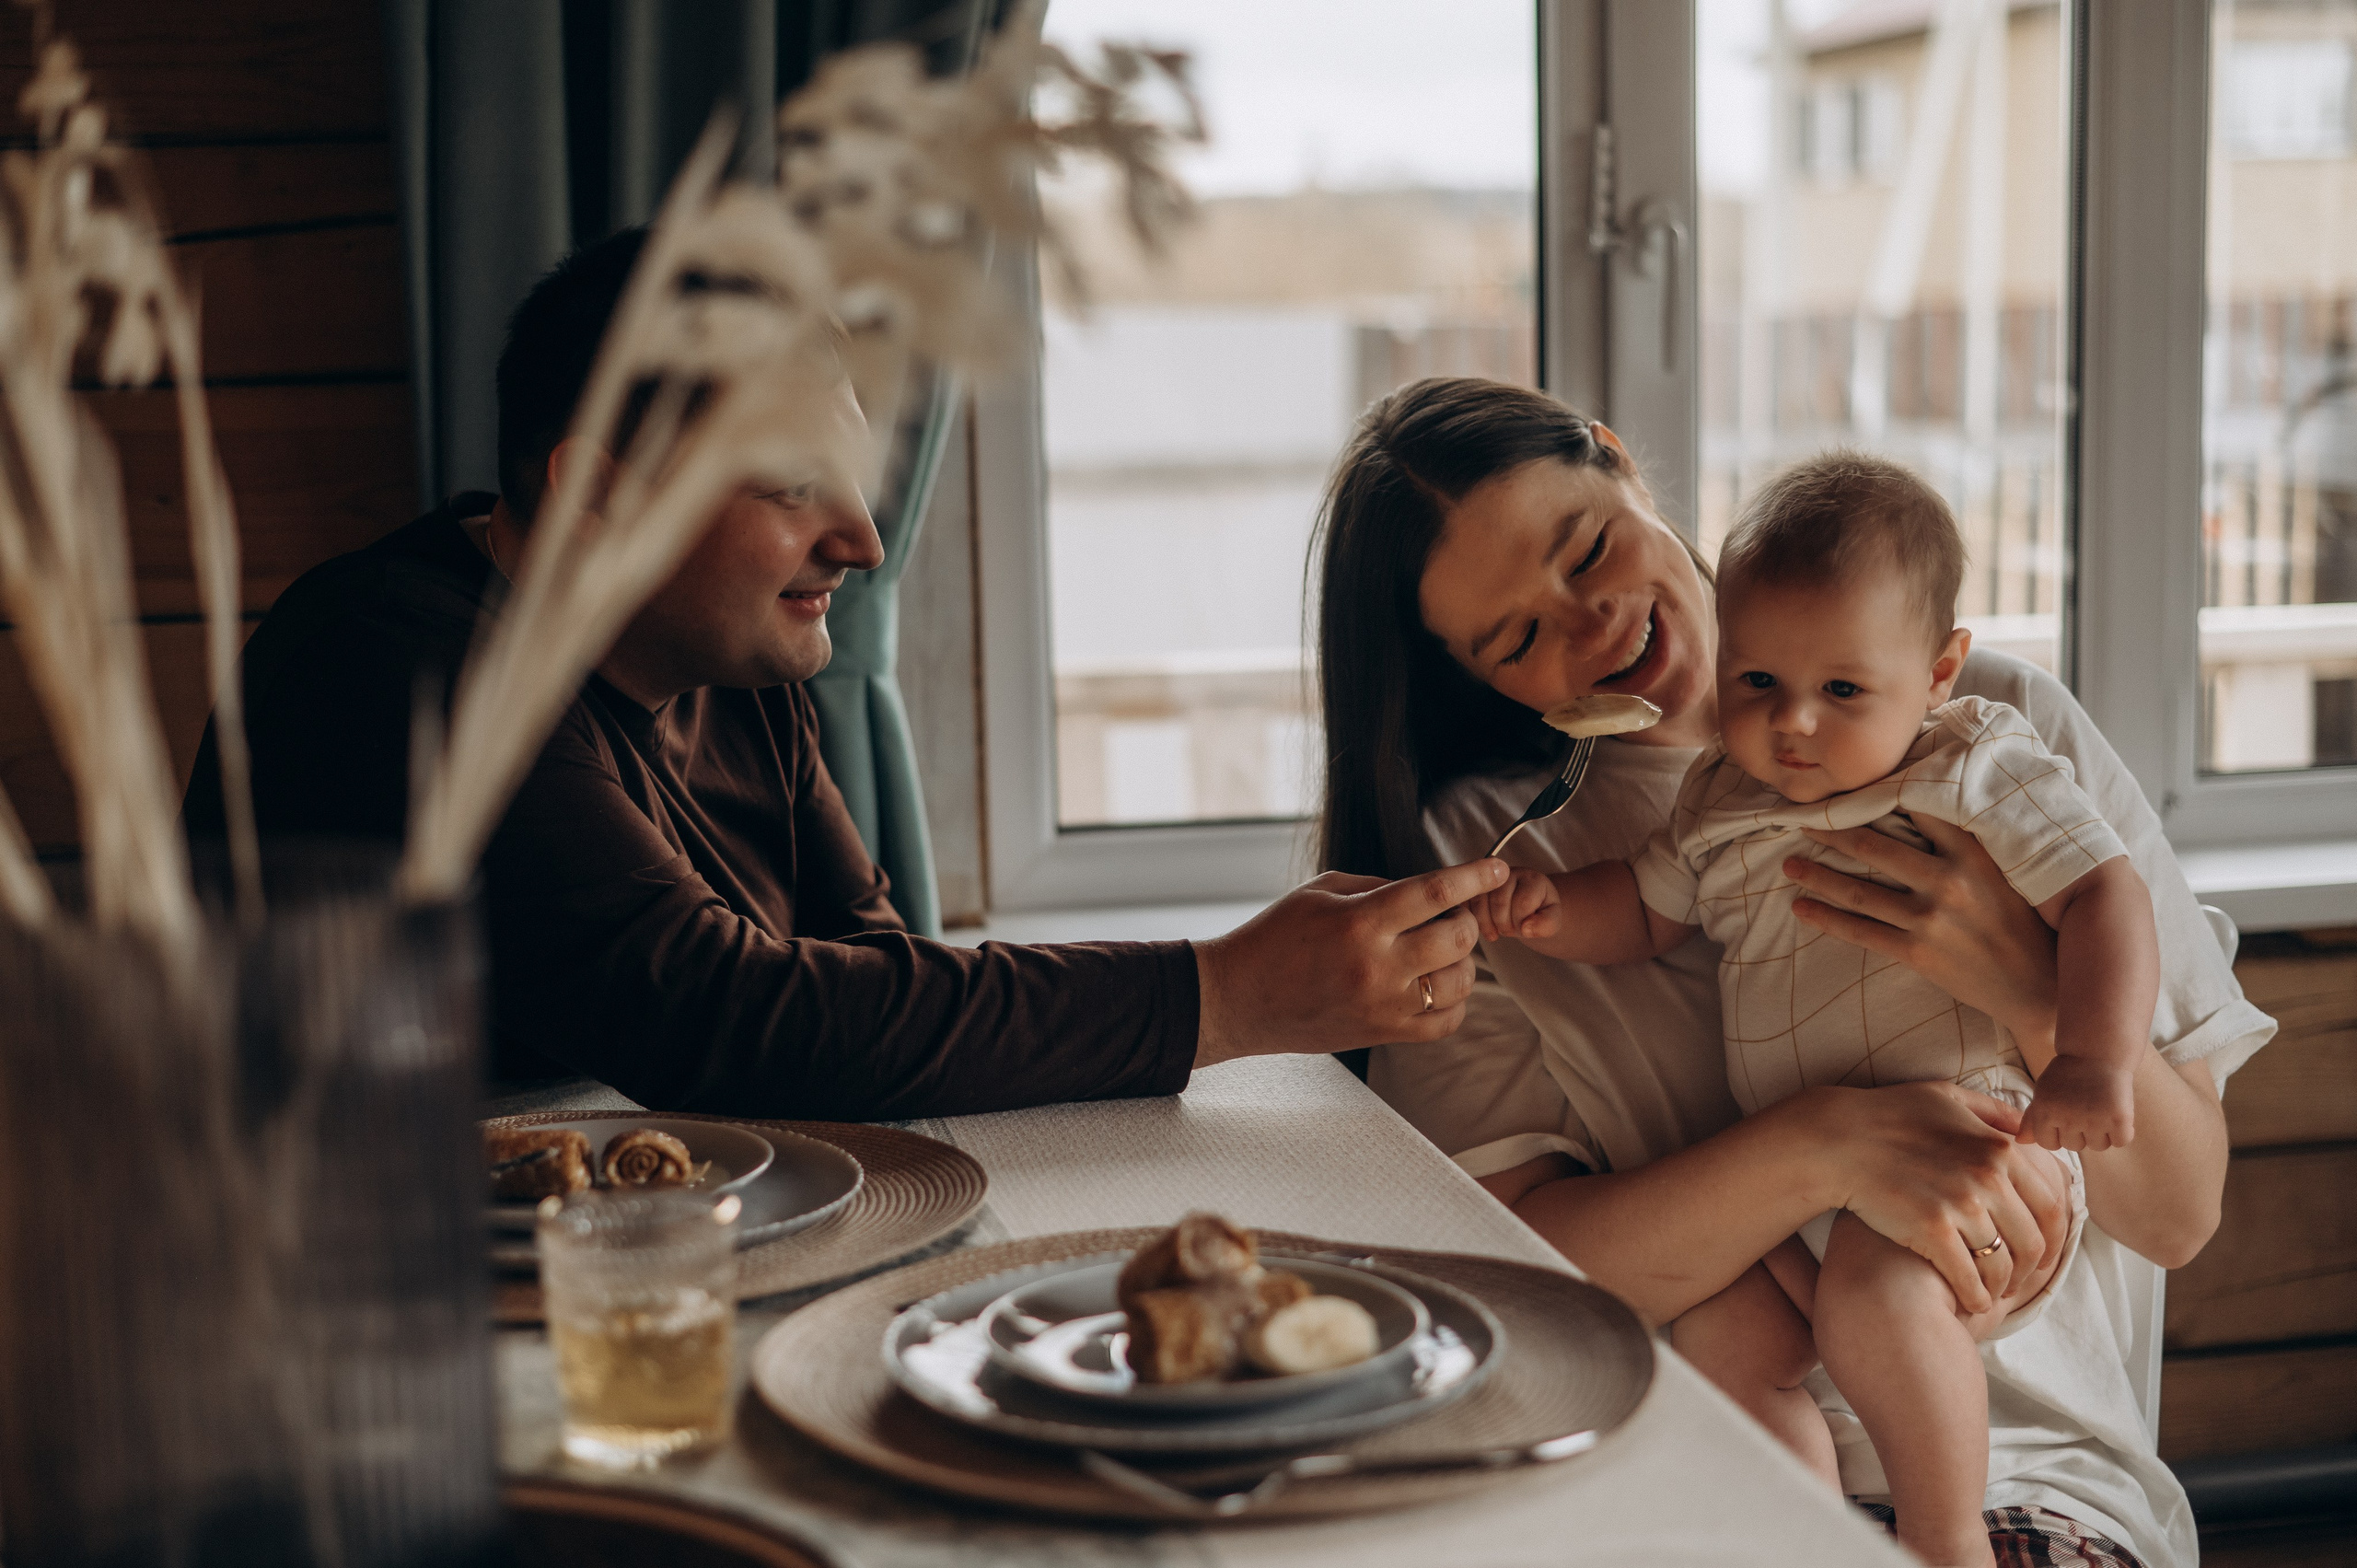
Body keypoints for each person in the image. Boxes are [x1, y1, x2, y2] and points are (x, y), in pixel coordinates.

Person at [182, 226, 1509, 1118]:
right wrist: (1225, 993)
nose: (865, 542)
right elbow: (719, 1012)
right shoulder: (393, 671)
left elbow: (867, 974)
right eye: (793, 485)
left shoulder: (737, 661)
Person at [1313, 377, 2273, 1568]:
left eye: (1588, 548)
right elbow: (1522, 1270)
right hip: (1695, 1476)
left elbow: (2179, 1212)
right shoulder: (1495, 861)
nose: (1592, 623)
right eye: (1517, 637)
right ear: (1474, 676)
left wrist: (2033, 989)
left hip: (2028, 1483)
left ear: (1619, 462)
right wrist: (1831, 1140)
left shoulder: (1991, 729)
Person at [1469, 453, 2160, 1568]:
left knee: (1877, 1306)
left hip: (1970, 1155)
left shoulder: (1973, 761)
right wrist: (1550, 910)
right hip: (1801, 1194)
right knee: (1723, 1331)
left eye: (1842, 690)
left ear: (1937, 672)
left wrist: (2089, 1054)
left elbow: (2102, 892)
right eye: (1756, 685)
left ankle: (1944, 1544)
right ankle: (1803, 1529)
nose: (1792, 724)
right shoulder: (1719, 801)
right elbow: (1644, 912)